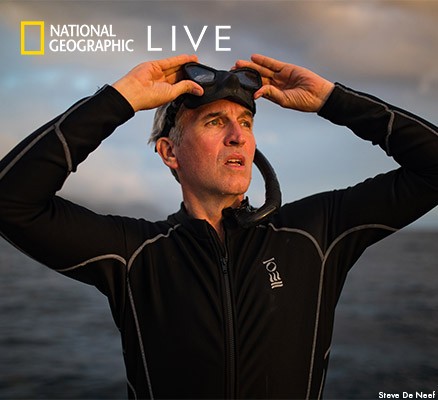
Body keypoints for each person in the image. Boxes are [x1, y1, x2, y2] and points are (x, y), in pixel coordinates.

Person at [0, 53, 437, 400]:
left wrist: (331, 99)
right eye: (214, 121)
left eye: (245, 122)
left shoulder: (314, 233)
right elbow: (11, 202)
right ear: (170, 153)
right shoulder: (135, 253)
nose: (238, 136)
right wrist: (121, 98)